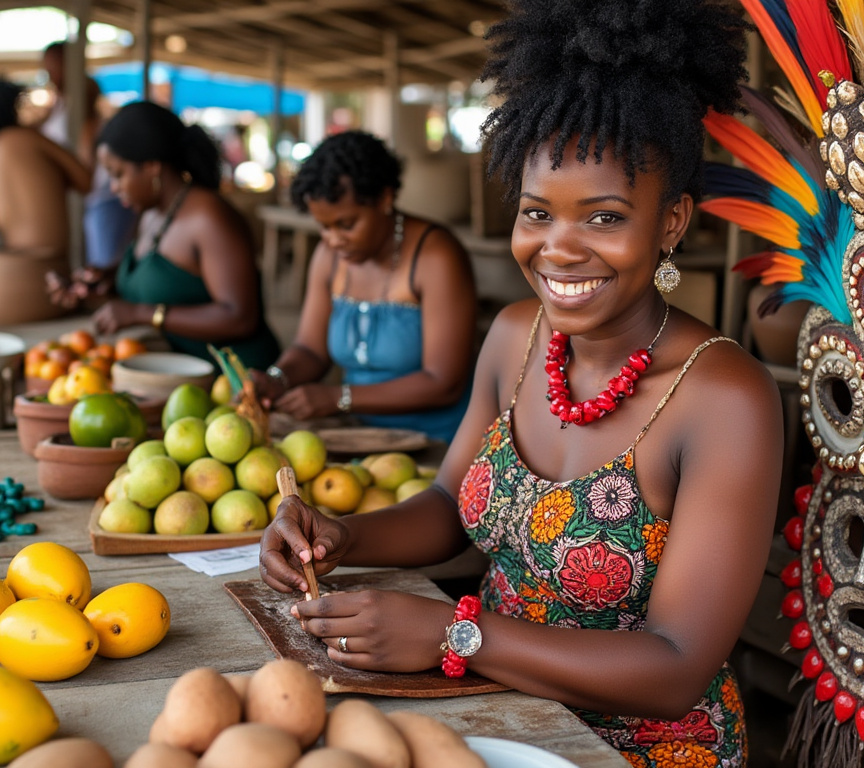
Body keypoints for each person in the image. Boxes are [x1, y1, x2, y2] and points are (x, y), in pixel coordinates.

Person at [258, 1, 780, 766]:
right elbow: (449, 507)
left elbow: (676, 667)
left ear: (671, 223)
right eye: (538, 213)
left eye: (603, 218)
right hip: (498, 712)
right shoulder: (516, 336)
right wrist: (342, 537)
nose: (558, 249)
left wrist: (453, 633)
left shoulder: (724, 397)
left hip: (641, 747)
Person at [250, 131, 477, 445]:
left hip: (437, 442)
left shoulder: (436, 256)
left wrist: (338, 397)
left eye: (346, 225)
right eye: (324, 227)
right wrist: (277, 378)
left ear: (384, 198)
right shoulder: (329, 258)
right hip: (358, 432)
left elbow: (443, 383)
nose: (333, 240)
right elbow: (310, 350)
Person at [72, 101, 280, 369]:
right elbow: (171, 281)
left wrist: (142, 314)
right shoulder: (151, 213)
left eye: (118, 174)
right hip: (183, 370)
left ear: (152, 166)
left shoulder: (208, 217)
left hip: (238, 376)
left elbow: (240, 318)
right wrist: (103, 281)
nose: (113, 188)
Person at [0, 79, 92, 258]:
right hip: (43, 262)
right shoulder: (27, 138)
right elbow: (85, 180)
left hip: (7, 262)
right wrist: (89, 130)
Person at [39, 41, 135, 269]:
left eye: (54, 67)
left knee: (104, 264)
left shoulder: (82, 95)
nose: (51, 75)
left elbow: (87, 141)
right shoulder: (60, 102)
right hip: (88, 196)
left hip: (100, 196)